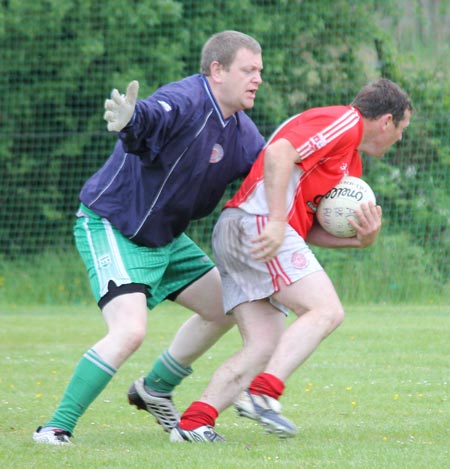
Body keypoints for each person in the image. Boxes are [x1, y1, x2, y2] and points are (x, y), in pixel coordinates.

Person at [33, 30, 265, 445]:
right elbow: (153, 115)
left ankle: (154, 388)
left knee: (230, 306)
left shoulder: (244, 135)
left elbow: (271, 182)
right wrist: (131, 119)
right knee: (129, 332)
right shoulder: (187, 97)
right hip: (113, 226)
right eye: (248, 70)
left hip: (165, 238)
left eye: (259, 72)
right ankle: (54, 428)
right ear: (217, 70)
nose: (257, 79)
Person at [169, 78, 413, 442]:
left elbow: (310, 228)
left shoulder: (350, 164)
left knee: (264, 345)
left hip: (242, 228)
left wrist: (363, 241)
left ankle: (194, 423)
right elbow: (279, 152)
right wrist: (278, 221)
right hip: (256, 224)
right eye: (402, 130)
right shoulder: (345, 122)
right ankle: (264, 394)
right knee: (325, 310)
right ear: (386, 120)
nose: (400, 139)